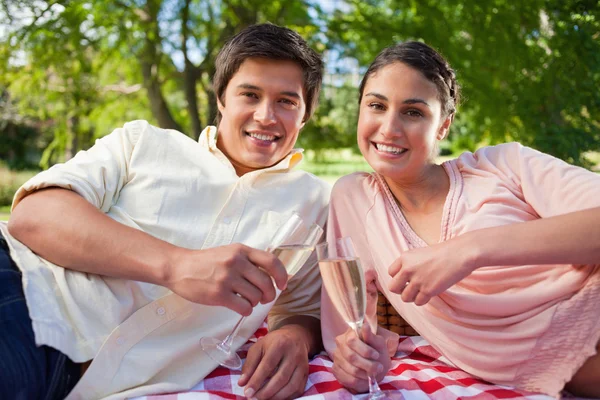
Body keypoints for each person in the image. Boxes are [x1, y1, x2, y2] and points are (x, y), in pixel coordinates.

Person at [0, 23, 329, 400]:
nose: (266, 116)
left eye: (287, 101)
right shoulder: (142, 142)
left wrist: (296, 335)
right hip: (23, 289)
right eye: (249, 95)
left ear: (305, 116)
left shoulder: (316, 202)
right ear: (222, 98)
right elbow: (34, 215)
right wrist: (177, 265)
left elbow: (304, 307)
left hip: (66, 377)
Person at [321, 41, 600, 398]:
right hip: (554, 367)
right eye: (376, 105)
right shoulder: (354, 199)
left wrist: (471, 249)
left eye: (413, 112)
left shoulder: (504, 165)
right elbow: (348, 330)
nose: (389, 128)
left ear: (443, 126)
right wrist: (355, 358)